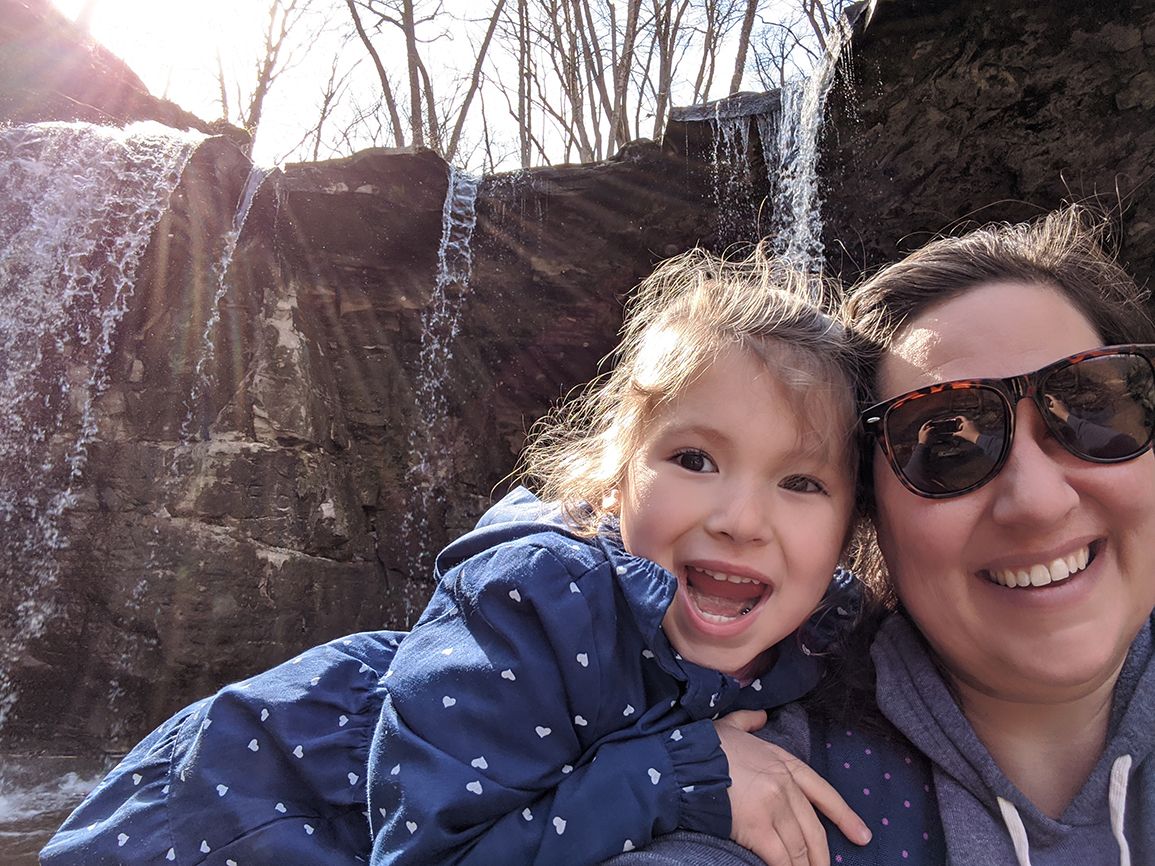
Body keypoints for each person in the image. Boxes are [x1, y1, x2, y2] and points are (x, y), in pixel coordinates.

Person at [42, 247, 874, 866]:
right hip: (219, 817)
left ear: (850, 532)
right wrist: (678, 772)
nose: (739, 519)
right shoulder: (537, 595)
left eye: (800, 481)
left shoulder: (829, 633)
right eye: (694, 460)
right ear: (617, 479)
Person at [608, 207, 1155, 866]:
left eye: (1091, 409)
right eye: (946, 442)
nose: (1038, 501)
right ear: (866, 523)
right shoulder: (769, 796)